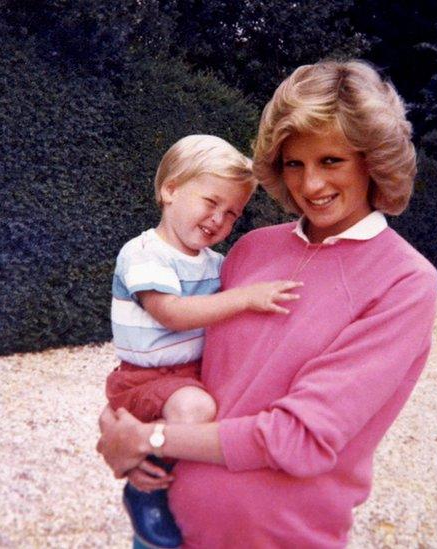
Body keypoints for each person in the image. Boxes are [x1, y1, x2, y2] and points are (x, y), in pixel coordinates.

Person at [97, 60, 437, 549]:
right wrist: (119, 425)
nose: (311, 185)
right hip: (167, 532)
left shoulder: (403, 281)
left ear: (373, 160)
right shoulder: (253, 249)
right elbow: (171, 355)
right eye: (294, 164)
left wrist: (150, 440)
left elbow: (299, 438)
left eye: (331, 161)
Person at [106, 134, 302, 548]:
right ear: (170, 189)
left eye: (232, 213)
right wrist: (246, 298)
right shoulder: (143, 254)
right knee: (196, 407)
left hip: (188, 375)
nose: (219, 220)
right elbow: (172, 314)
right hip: (145, 377)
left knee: (203, 406)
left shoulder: (217, 264)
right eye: (210, 202)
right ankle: (147, 490)